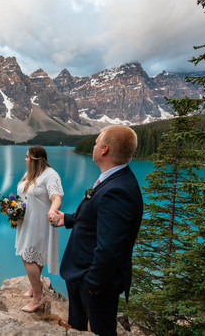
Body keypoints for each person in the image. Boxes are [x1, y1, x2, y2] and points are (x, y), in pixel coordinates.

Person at [54, 125, 143, 335]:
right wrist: (67, 219)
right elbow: (97, 217)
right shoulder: (114, 180)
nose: (93, 145)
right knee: (77, 324)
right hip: (80, 275)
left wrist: (92, 285)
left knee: (102, 330)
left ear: (104, 149)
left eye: (95, 142)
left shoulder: (118, 190)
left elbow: (109, 248)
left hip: (95, 282)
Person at [15, 145, 63, 313]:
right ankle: (36, 285)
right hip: (27, 222)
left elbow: (56, 197)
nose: (25, 159)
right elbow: (24, 194)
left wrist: (52, 210)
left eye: (27, 156)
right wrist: (14, 208)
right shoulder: (30, 173)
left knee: (28, 258)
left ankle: (38, 298)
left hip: (40, 224)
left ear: (35, 159)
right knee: (33, 256)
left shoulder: (51, 175)